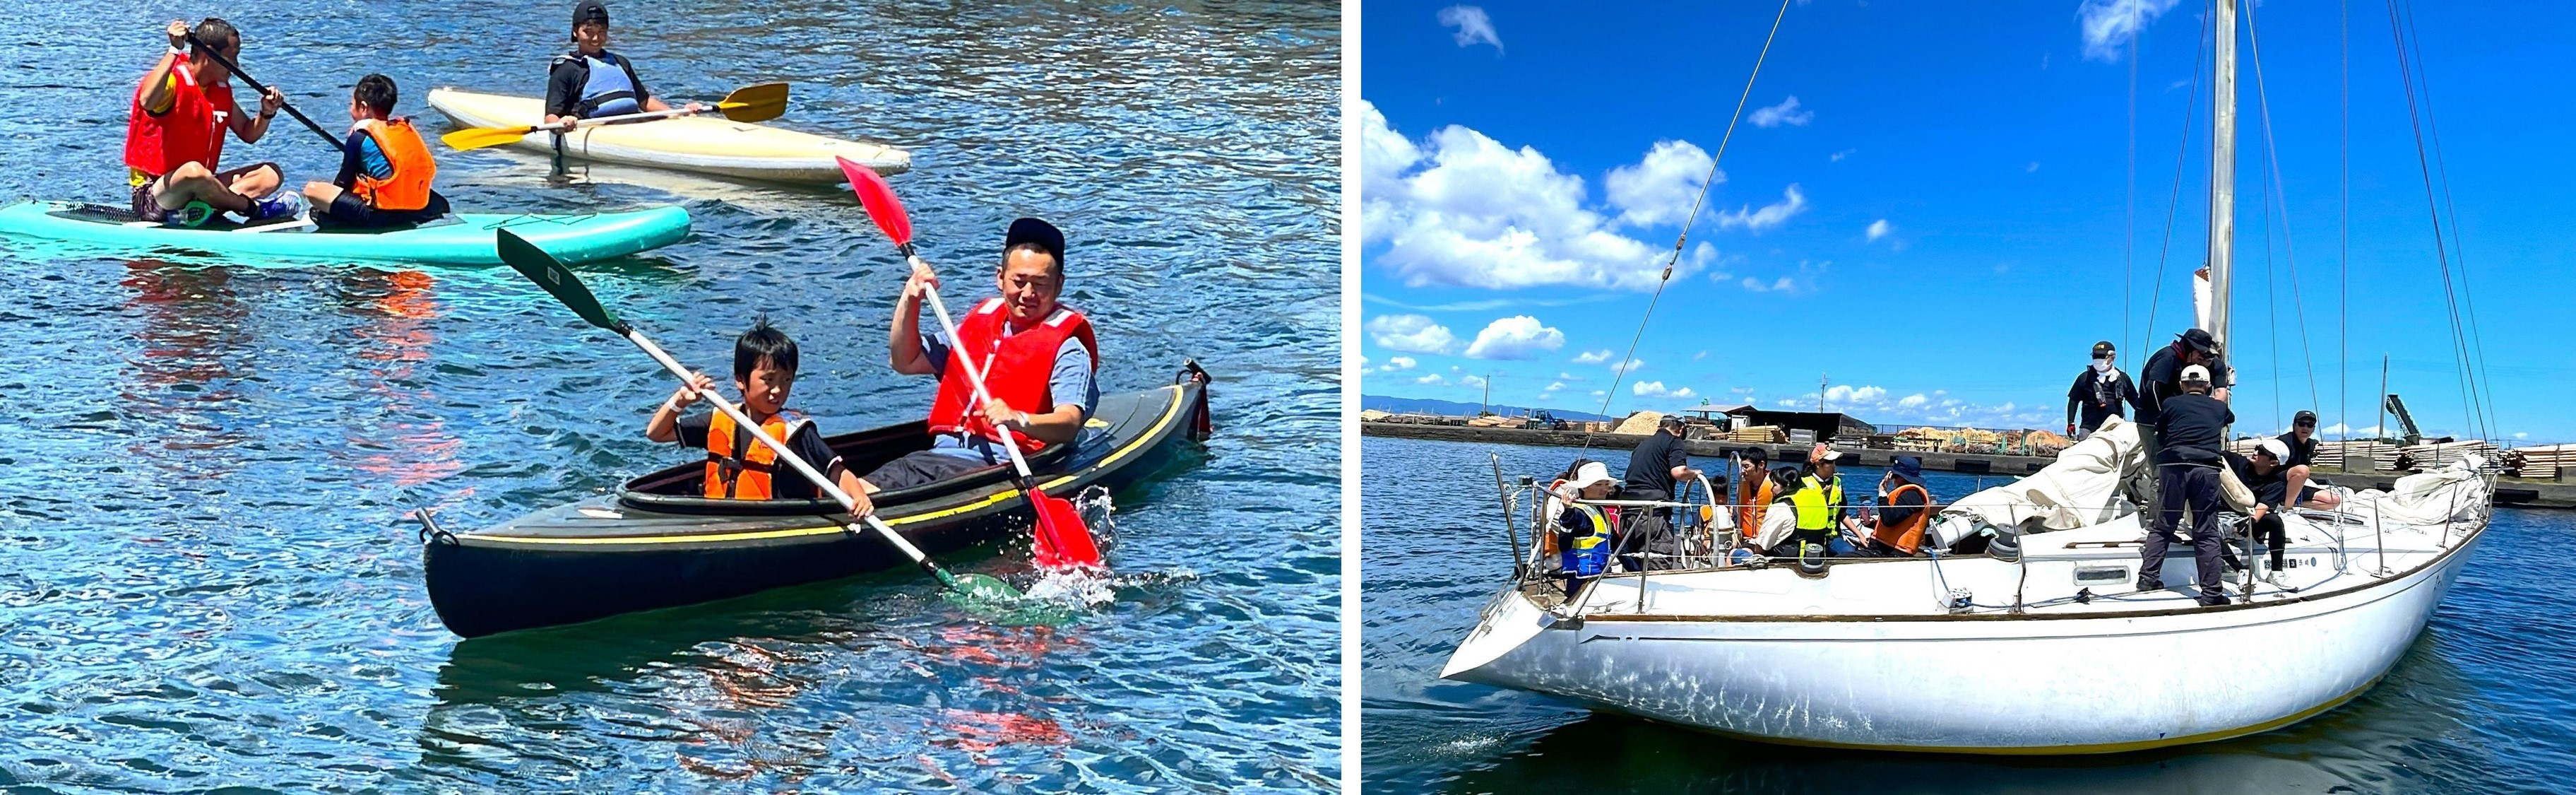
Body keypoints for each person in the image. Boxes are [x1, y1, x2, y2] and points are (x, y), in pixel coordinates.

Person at [855, 218, 1098, 516]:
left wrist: (1018, 419)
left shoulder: (1068, 348)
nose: (1028, 294)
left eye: (1040, 284)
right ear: (1001, 278)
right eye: (1019, 282)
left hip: (994, 468)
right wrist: (911, 299)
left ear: (1059, 285)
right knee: (852, 492)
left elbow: (1069, 422)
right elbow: (904, 361)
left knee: (871, 500)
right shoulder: (978, 324)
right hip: (935, 458)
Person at [646, 317, 867, 504]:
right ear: (740, 380)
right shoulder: (723, 418)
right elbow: (656, 433)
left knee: (867, 488)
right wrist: (680, 401)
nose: (777, 390)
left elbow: (838, 474)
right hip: (720, 516)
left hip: (775, 520)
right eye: (768, 380)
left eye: (786, 380)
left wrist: (859, 499)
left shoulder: (795, 431)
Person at [125, 18, 295, 226]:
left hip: (199, 187)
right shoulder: (171, 81)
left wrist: (266, 112)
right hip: (155, 195)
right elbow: (147, 100)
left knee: (271, 174)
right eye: (232, 58)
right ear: (208, 55)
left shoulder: (219, 90)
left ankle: (197, 212)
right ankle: (254, 209)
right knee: (195, 172)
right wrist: (174, 50)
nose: (237, 66)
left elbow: (248, 133)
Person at [298, 74, 449, 228]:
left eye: (351, 104)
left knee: (313, 191)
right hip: (416, 210)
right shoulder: (405, 130)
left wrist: (327, 204)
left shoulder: (360, 137)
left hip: (380, 215)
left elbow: (343, 182)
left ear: (363, 108)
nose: (350, 110)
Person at [2142, 364, 2234, 606]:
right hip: (2206, 470)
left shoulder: (2172, 403)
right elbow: (2228, 418)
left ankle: (2148, 577)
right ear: (2207, 386)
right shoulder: (2219, 407)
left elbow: (2160, 431)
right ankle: (2211, 593)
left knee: (2164, 525)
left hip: (2173, 467)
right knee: (2206, 531)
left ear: (2182, 385)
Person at [545, 0, 701, 125]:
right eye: (588, 32)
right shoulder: (567, 70)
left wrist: (678, 114)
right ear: (575, 31)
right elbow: (551, 117)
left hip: (632, 123)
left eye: (601, 32)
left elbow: (645, 101)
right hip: (594, 128)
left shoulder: (620, 62)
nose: (596, 39)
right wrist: (562, 124)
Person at [1619, 416, 1702, 566]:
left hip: (1628, 510)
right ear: (1681, 429)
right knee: (1658, 561)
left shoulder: (1643, 444)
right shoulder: (1674, 442)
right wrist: (1695, 474)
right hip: (1653, 512)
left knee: (1633, 562)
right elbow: (1679, 472)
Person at [2224, 439, 2296, 588]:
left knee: (2274, 521)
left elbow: (2263, 507)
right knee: (2205, 525)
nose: (2255, 452)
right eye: (2258, 448)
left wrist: (2250, 522)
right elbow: (2215, 454)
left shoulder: (2276, 484)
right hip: (2220, 514)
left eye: (2262, 451)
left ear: (2273, 463)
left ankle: (2276, 572)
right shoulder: (2237, 462)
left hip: (2244, 518)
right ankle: (2241, 570)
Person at [1547, 461, 1620, 598]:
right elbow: (1564, 545)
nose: (1604, 489)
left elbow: (1618, 545)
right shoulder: (1576, 513)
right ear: (1584, 488)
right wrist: (1568, 513)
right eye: (1598, 485)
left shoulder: (1603, 512)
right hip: (1580, 577)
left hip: (1601, 574)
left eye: (1606, 485)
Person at [1787, 444, 1858, 561]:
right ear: (1818, 464)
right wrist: (1820, 498)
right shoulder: (1803, 483)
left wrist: (1860, 536)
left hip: (1833, 537)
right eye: (1830, 462)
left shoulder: (1837, 482)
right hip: (1810, 538)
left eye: (1834, 462)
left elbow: (1842, 513)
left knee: (1851, 553)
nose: (1834, 466)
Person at [2065, 340, 2139, 438]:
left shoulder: (2122, 378)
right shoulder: (2084, 378)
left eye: (2102, 356)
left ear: (2112, 357)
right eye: (2095, 356)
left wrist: (2145, 419)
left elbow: (2135, 401)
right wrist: (2071, 422)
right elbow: (2073, 400)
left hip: (2115, 429)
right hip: (2089, 429)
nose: (2098, 359)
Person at [1865, 456, 1934, 556]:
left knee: (1839, 559)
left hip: (1892, 552)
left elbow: (1889, 520)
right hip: (1884, 548)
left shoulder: (1912, 495)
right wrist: (1873, 524)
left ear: (1903, 478)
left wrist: (1882, 494)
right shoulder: (1908, 494)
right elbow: (1898, 520)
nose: (1894, 480)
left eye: (1895, 476)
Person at [2274, 410, 2341, 510]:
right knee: (2302, 470)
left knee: (2334, 501)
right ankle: (2287, 507)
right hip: (2277, 486)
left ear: (2314, 429)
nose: (2305, 428)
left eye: (2310, 425)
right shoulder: (2282, 443)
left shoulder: (2311, 445)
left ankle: (2289, 503)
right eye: (2301, 424)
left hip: (2295, 488)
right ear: (2294, 426)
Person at [1732, 446, 1774, 538]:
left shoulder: (1775, 486)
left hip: (1767, 540)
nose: (1742, 471)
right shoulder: (1741, 486)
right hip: (1746, 538)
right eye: (1741, 467)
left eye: (1746, 467)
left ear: (1761, 465)